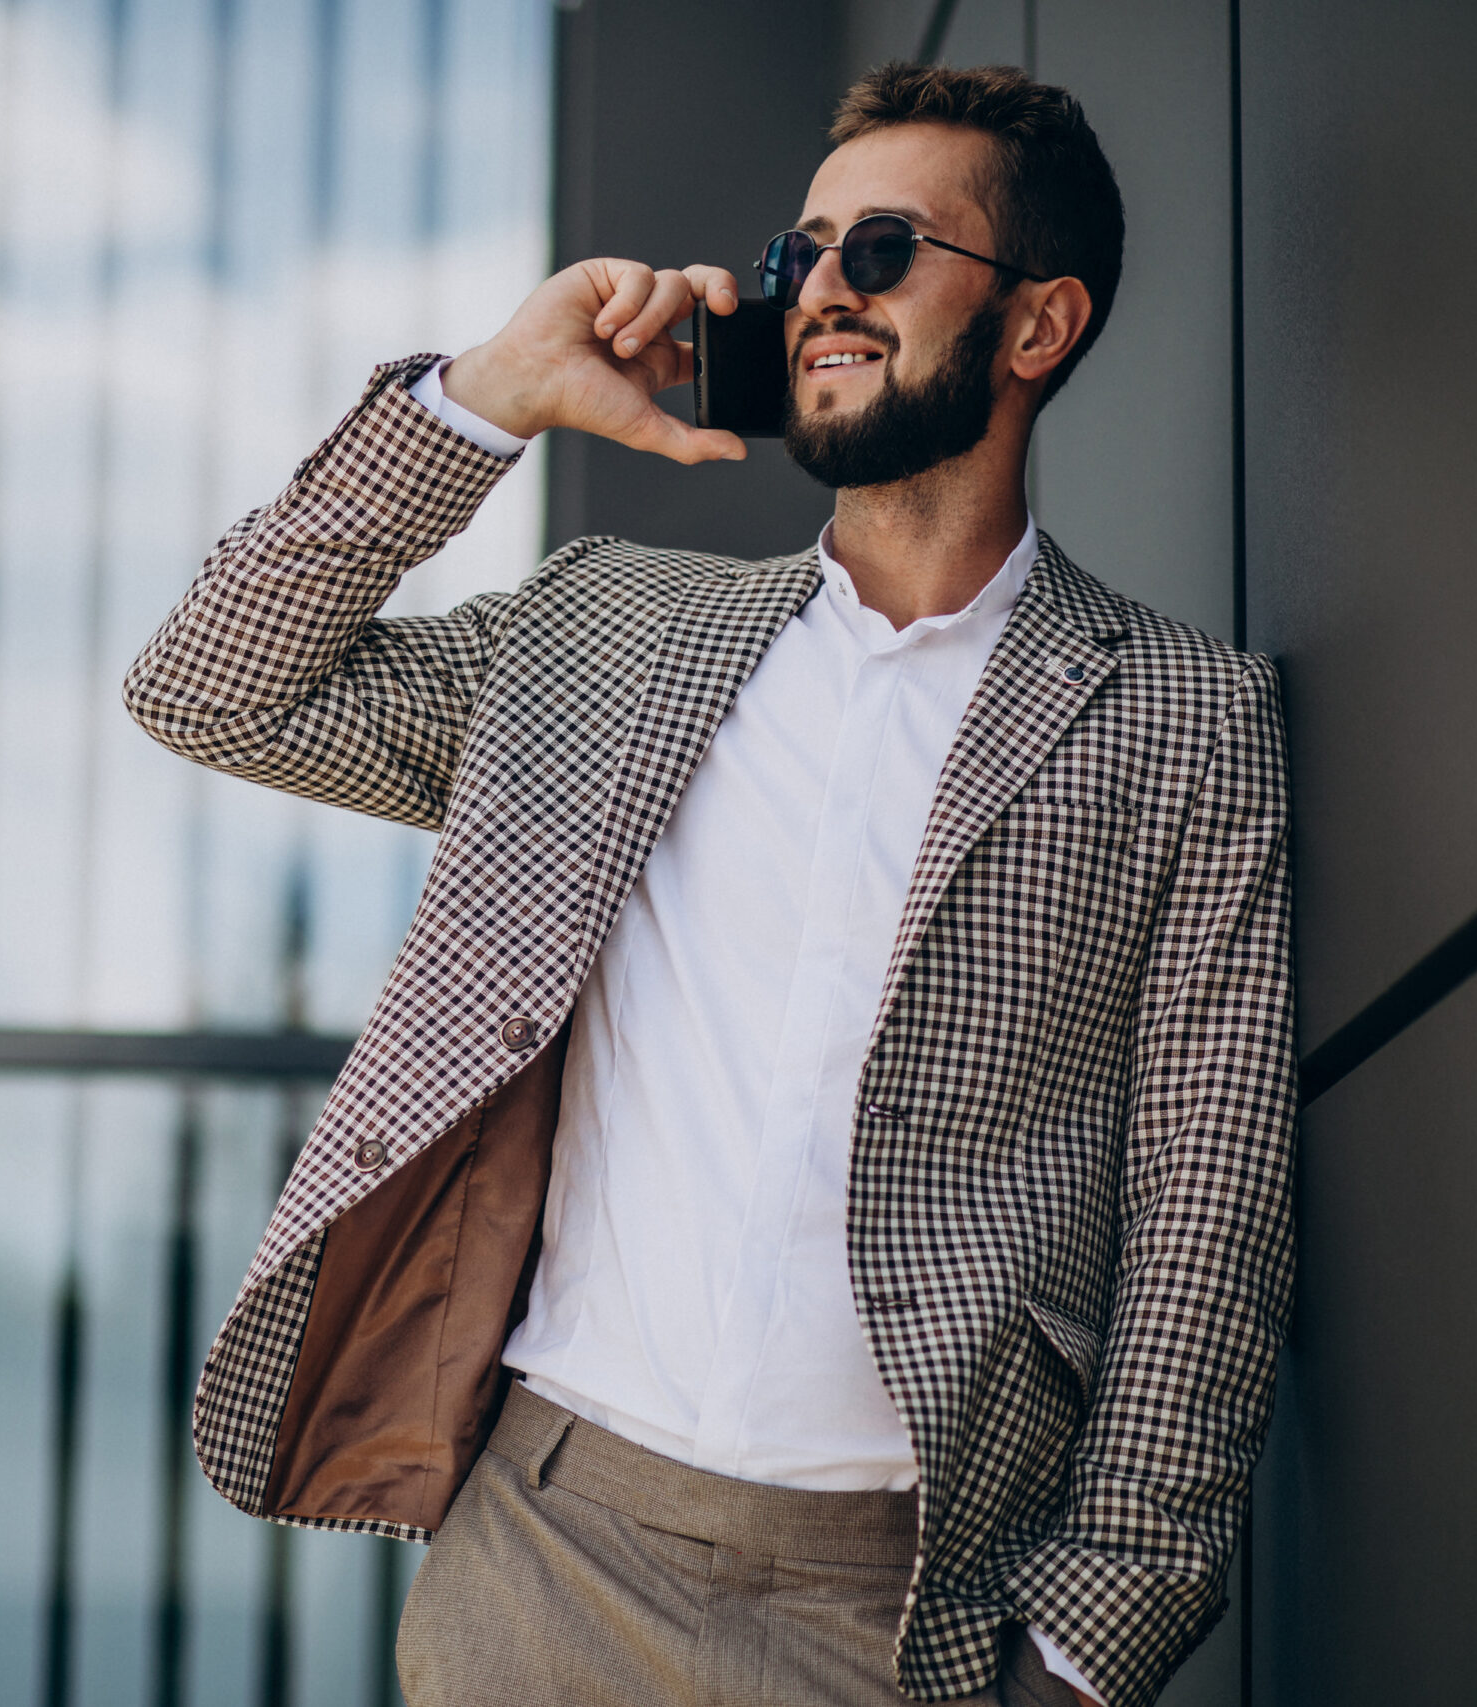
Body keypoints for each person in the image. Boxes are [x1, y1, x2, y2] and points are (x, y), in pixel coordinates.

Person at [124, 62, 1293, 1707]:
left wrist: (1091, 1640)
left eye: (881, 251)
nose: (819, 289)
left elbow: (1211, 1196)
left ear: (1038, 326)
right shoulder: (603, 631)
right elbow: (210, 685)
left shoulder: (1178, 714)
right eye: (800, 252)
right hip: (542, 1555)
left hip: (897, 1607)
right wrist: (489, 395)